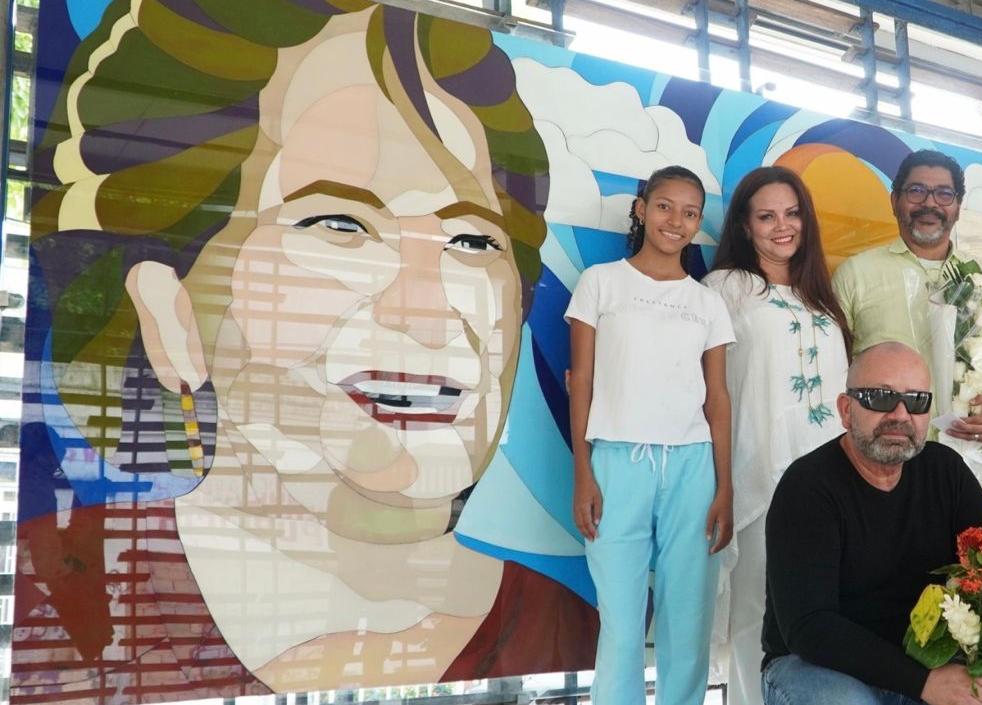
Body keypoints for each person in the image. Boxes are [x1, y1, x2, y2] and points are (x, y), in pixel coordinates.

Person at [13, 3, 599, 701]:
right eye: (340, 224)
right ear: (170, 314)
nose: (426, 314)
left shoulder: (563, 622)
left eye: (472, 242)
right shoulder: (71, 594)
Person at [761, 342, 982, 705]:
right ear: (846, 409)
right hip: (826, 669)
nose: (900, 415)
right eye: (881, 397)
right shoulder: (808, 487)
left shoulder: (943, 469)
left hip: (931, 655)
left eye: (916, 400)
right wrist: (922, 683)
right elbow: (809, 627)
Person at [566, 166, 735, 705]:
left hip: (693, 467)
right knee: (620, 624)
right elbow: (581, 382)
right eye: (664, 206)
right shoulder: (601, 283)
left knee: (687, 620)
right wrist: (583, 472)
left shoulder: (707, 303)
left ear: (698, 223)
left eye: (690, 212)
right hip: (617, 463)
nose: (675, 221)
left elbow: (717, 398)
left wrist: (725, 488)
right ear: (641, 210)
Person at [703, 166, 852, 705]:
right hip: (758, 478)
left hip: (834, 483)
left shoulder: (822, 299)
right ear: (744, 226)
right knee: (756, 616)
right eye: (766, 216)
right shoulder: (725, 289)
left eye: (792, 214)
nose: (782, 226)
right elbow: (709, 390)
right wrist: (721, 483)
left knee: (828, 616)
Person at [832, 149, 982, 447]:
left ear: (958, 207)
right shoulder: (855, 274)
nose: (930, 203)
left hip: (967, 452)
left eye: (944, 194)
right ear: (894, 201)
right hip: (883, 450)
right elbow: (833, 369)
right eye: (916, 191)